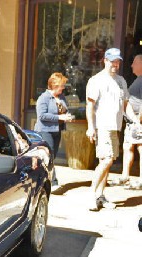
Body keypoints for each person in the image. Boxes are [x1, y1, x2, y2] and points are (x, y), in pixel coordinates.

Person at [85, 47, 139, 211]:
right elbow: (90, 105)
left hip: (116, 128)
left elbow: (126, 105)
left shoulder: (121, 81)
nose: (115, 64)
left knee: (108, 162)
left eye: (118, 61)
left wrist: (136, 121)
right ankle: (91, 194)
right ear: (105, 60)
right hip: (102, 127)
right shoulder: (96, 80)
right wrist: (90, 127)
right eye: (112, 60)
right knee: (107, 159)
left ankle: (100, 196)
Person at [34, 72, 74, 190]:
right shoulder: (43, 98)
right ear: (55, 85)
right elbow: (42, 116)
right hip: (45, 130)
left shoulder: (61, 97)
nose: (63, 88)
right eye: (62, 85)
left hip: (57, 130)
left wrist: (67, 116)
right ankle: (54, 182)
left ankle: (39, 178)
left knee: (51, 156)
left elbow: (64, 111)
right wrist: (59, 117)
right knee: (49, 156)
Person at [114, 54, 142, 189]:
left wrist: (139, 120)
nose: (131, 66)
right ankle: (125, 175)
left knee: (141, 149)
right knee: (127, 147)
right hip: (132, 121)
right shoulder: (138, 80)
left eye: (134, 63)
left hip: (138, 120)